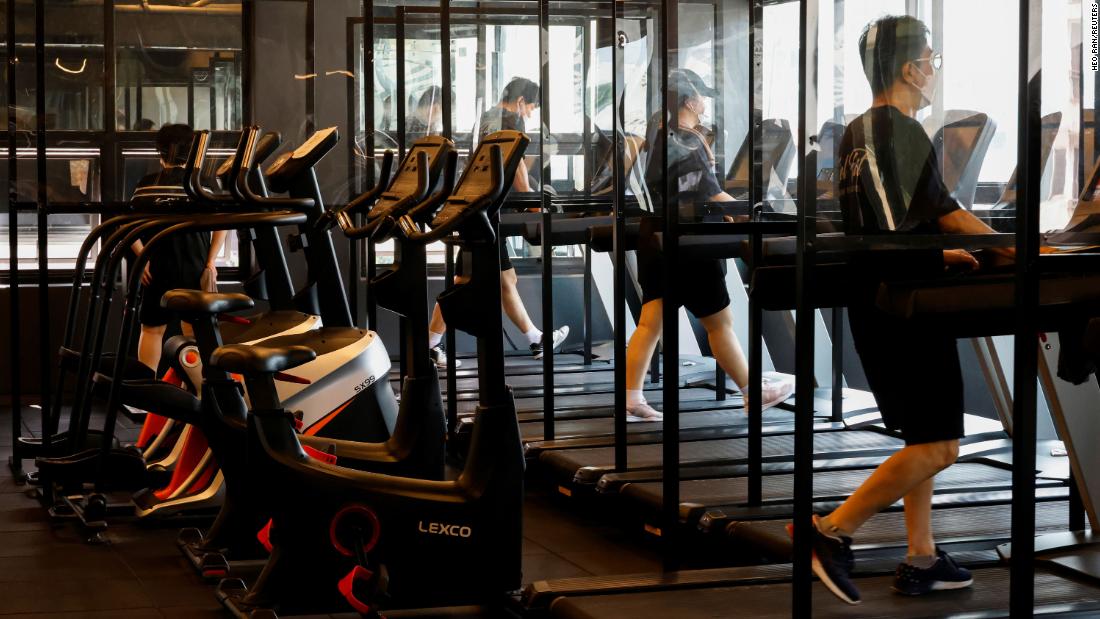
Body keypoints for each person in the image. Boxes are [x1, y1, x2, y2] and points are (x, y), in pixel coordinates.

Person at [801, 15, 1017, 604]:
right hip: (909, 307)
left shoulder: (853, 133)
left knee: (924, 434)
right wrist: (1021, 248)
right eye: (930, 58)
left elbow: (884, 224)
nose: (933, 70)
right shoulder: (902, 129)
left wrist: (940, 251)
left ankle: (922, 556)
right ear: (908, 68)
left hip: (878, 299)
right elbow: (950, 212)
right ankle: (830, 531)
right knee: (941, 445)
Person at [625, 69, 794, 422]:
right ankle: (752, 391)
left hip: (655, 236)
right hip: (689, 242)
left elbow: (682, 190)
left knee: (650, 321)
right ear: (690, 102)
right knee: (720, 322)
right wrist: (747, 211)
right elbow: (709, 192)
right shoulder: (688, 141)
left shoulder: (658, 136)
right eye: (701, 96)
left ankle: (631, 396)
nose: (705, 103)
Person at [427, 77, 568, 368]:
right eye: (530, 107)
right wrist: (530, 200)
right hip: (486, 212)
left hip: (473, 203)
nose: (529, 114)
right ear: (520, 102)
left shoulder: (487, 118)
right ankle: (535, 340)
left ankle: (534, 339)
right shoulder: (511, 121)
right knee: (471, 281)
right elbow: (515, 168)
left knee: (492, 278)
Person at [132, 124, 228, 373]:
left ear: (159, 152)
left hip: (157, 266)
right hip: (193, 264)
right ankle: (195, 389)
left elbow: (127, 225)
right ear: (193, 151)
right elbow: (223, 224)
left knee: (152, 330)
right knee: (193, 329)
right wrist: (210, 262)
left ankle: (146, 394)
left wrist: (142, 257)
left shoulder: (146, 185)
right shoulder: (203, 185)